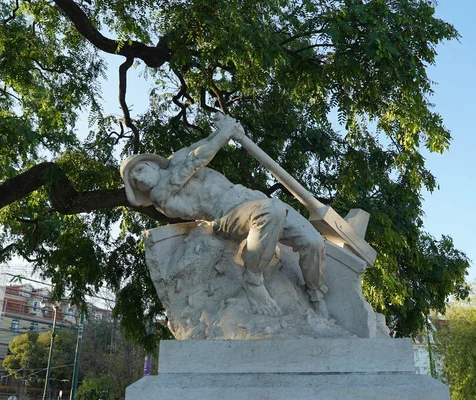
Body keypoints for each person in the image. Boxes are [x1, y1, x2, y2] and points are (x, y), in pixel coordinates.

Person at [120, 115, 328, 317]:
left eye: (139, 170)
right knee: (270, 210)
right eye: (135, 182)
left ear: (151, 163)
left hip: (250, 197)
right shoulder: (160, 196)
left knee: (314, 241)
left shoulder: (177, 157)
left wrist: (225, 128)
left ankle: (316, 293)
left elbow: (205, 143)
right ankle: (253, 279)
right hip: (226, 216)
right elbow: (194, 163)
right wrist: (224, 135)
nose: (139, 179)